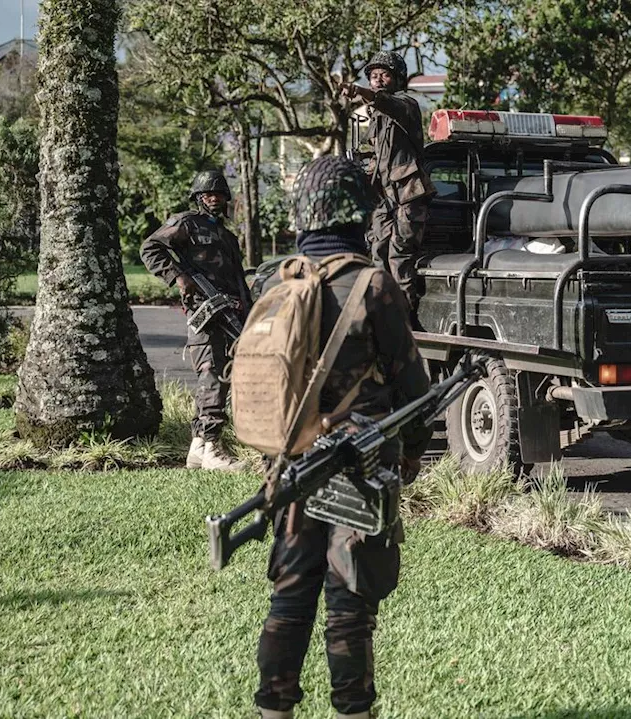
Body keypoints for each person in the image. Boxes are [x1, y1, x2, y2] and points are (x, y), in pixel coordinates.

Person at [253, 155, 431, 719]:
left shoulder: (275, 279)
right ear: (357, 210)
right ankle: (354, 711)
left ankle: (273, 708)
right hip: (361, 462)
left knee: (289, 594)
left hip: (291, 459)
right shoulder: (372, 283)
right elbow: (411, 383)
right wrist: (410, 456)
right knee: (349, 601)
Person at [140, 170, 250, 470]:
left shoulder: (228, 237)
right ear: (199, 198)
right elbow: (150, 248)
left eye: (218, 193)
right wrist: (178, 277)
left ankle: (200, 447)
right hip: (204, 313)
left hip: (230, 314)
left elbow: (238, 280)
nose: (213, 198)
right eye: (207, 194)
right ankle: (212, 447)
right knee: (211, 374)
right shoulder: (187, 223)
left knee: (223, 376)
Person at [342, 50, 436, 312]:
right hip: (385, 197)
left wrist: (360, 91)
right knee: (378, 255)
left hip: (409, 195)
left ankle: (404, 326)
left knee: (399, 257)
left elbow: (386, 103)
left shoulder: (406, 106)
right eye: (373, 76)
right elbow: (375, 157)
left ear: (398, 79)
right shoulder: (377, 119)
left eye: (384, 75)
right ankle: (381, 320)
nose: (378, 80)